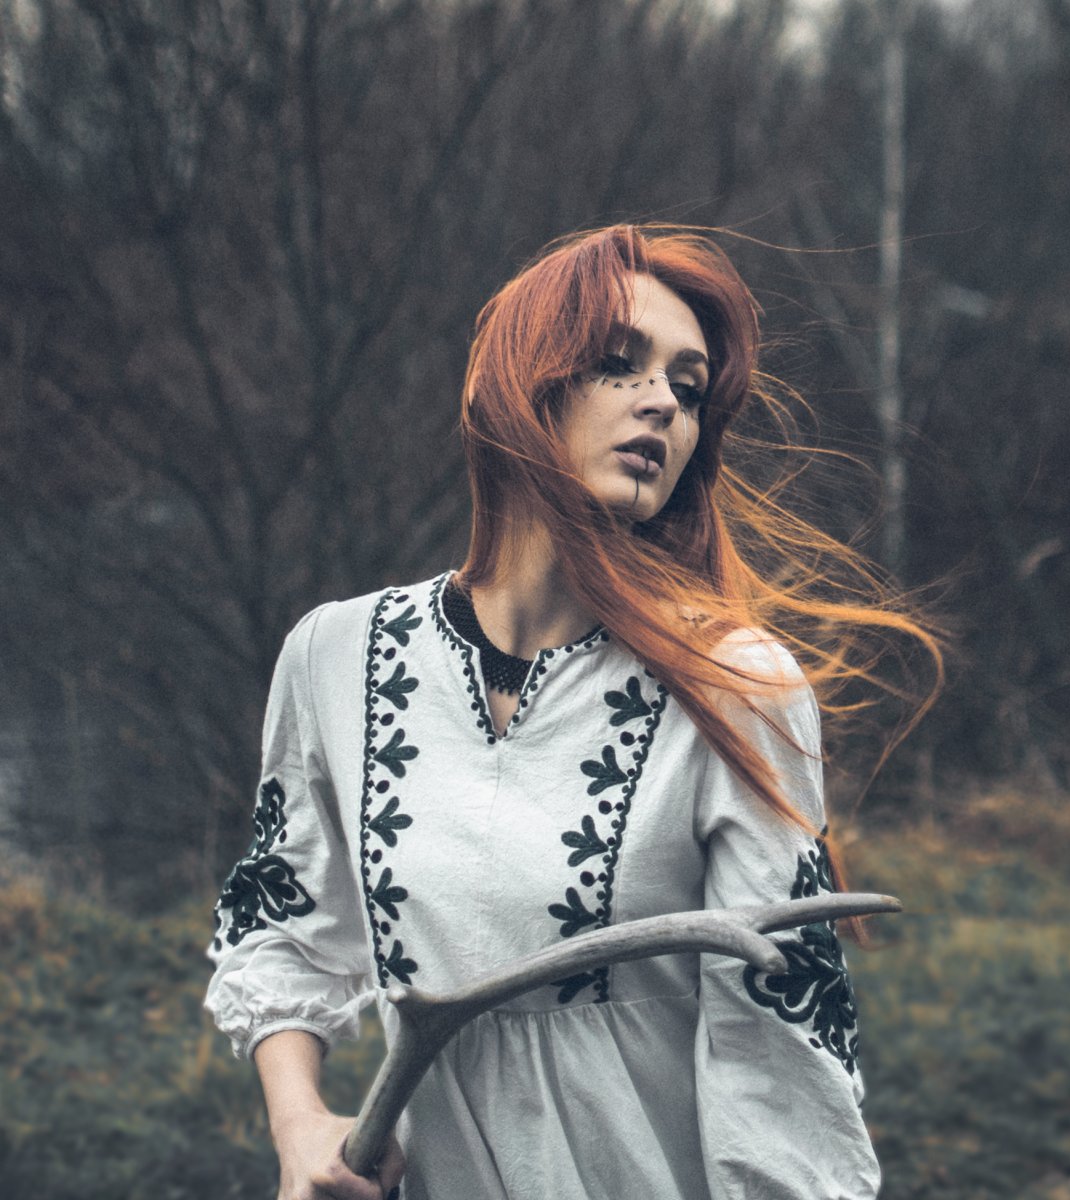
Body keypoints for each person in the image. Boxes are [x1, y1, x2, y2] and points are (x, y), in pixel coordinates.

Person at [205, 224, 941, 1200]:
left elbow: (780, 1045)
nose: (661, 407)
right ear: (518, 382)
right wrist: (303, 1131)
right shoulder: (336, 657)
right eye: (618, 365)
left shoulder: (734, 681)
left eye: (687, 388)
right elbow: (283, 925)